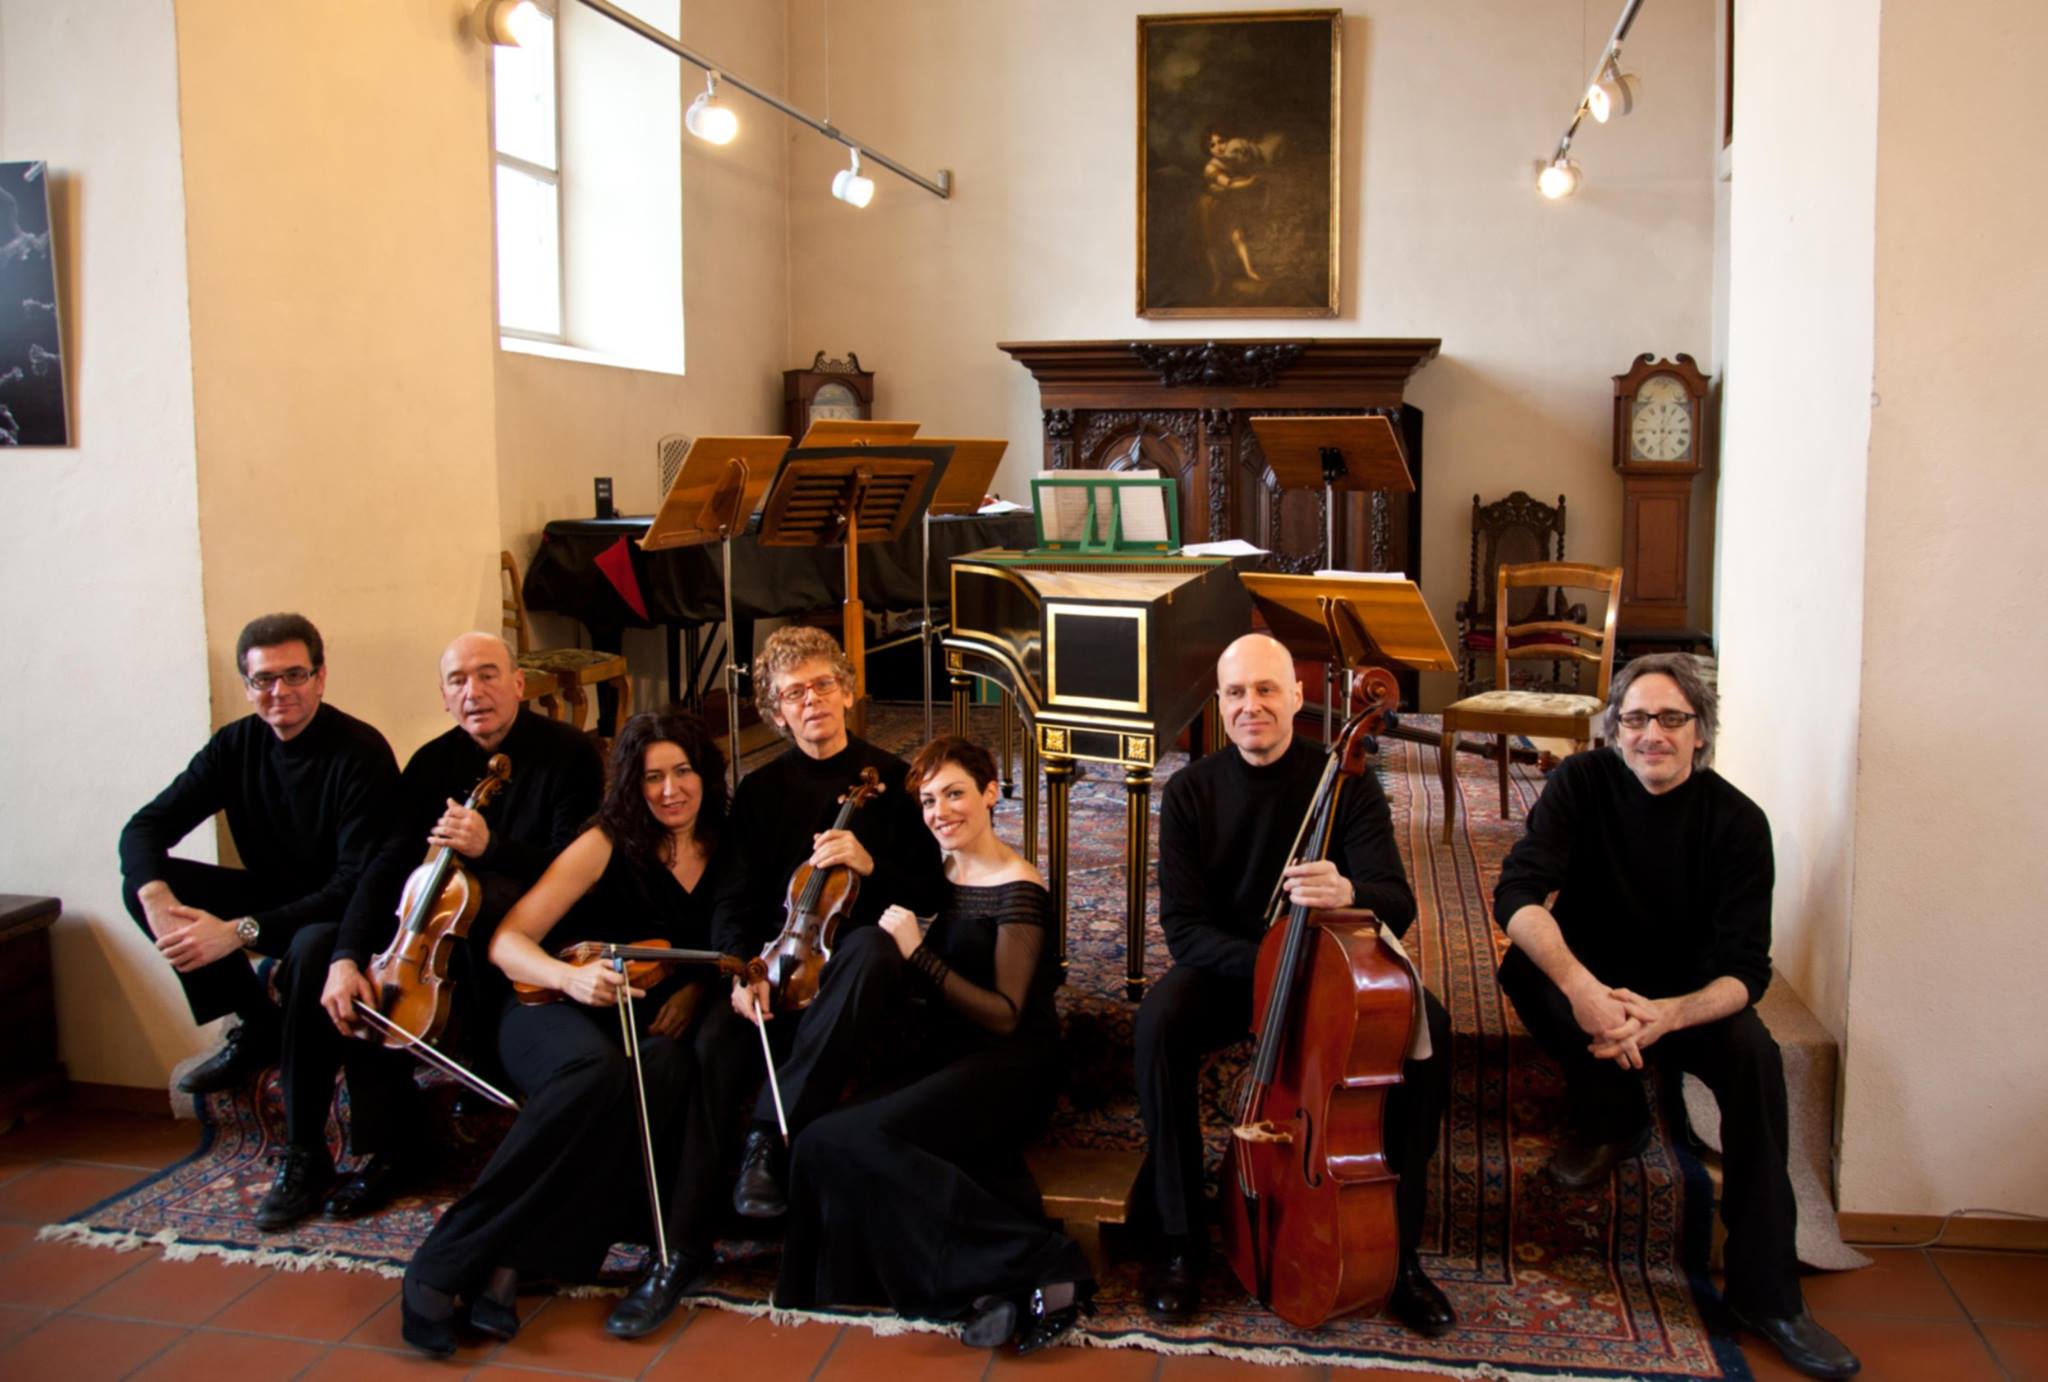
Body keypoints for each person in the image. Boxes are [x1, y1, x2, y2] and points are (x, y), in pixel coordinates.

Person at [1492, 653, 1859, 1380]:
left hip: (1686, 996)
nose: (1650, 733)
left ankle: (1767, 1295)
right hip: (1596, 974)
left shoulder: (1739, 823)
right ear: (1614, 730)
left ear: (1701, 732)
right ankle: (1613, 1119)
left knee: (1756, 1059)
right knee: (1526, 970)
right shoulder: (1580, 783)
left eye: (1670, 718)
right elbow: (1518, 895)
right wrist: (1583, 989)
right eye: (1634, 718)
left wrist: (1667, 1017)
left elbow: (1745, 973)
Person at [1134, 633, 1455, 1336]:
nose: (1251, 705)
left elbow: (1397, 901)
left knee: (1427, 1030)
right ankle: (1182, 1239)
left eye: (1267, 689)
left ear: (1299, 696)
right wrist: (1268, 967)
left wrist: (1349, 888)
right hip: (1235, 968)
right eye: (1236, 692)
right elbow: (1184, 929)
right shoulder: (1189, 792)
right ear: (1219, 703)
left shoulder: (1345, 781)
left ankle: (1401, 1255)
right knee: (1158, 1026)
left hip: (1325, 975)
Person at [399, 709, 733, 1355]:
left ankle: (518, 1260)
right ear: (631, 784)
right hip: (543, 1007)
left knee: (665, 1069)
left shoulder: (723, 844)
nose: (670, 790)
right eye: (652, 777)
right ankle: (441, 1263)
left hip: (627, 1021)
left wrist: (695, 987)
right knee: (597, 1071)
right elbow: (507, 942)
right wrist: (570, 979)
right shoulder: (605, 841)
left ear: (706, 774)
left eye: (683, 771)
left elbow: (719, 942)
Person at [253, 632, 604, 1230]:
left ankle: (437, 1108)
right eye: (458, 681)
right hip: (435, 940)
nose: (474, 692)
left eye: (488, 675)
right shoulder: (431, 763)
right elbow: (387, 863)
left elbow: (578, 868)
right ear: (443, 696)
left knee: (481, 902)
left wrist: (492, 847)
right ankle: (312, 1154)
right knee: (314, 949)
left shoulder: (570, 753)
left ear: (519, 683)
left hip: (522, 944)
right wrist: (346, 955)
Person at [775, 737, 1093, 1356]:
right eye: (928, 800)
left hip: (1009, 1067)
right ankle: (982, 1284)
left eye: (955, 794)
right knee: (818, 1138)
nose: (940, 811)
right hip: (949, 1056)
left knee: (859, 1139)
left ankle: (1044, 1260)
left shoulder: (1020, 887)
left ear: (991, 794)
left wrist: (916, 955)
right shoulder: (939, 874)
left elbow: (1005, 1016)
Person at [696, 625, 945, 1221]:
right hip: (777, 962)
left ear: (848, 693)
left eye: (824, 684)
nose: (812, 700)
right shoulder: (759, 792)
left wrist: (871, 865)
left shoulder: (895, 779)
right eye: (794, 692)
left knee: (869, 946)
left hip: (857, 973)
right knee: (711, 1044)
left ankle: (766, 1138)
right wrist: (743, 968)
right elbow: (732, 896)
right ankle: (692, 1224)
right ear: (777, 713)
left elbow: (931, 893)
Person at [119, 613, 397, 1098]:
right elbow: (145, 826)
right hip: (274, 896)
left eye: (295, 675)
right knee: (142, 883)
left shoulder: (360, 751)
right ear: (247, 687)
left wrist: (236, 932)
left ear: (320, 677)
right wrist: (156, 897)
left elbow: (354, 883)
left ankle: (287, 1045)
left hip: (344, 915)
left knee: (311, 937)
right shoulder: (235, 745)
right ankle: (258, 1023)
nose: (279, 691)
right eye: (264, 679)